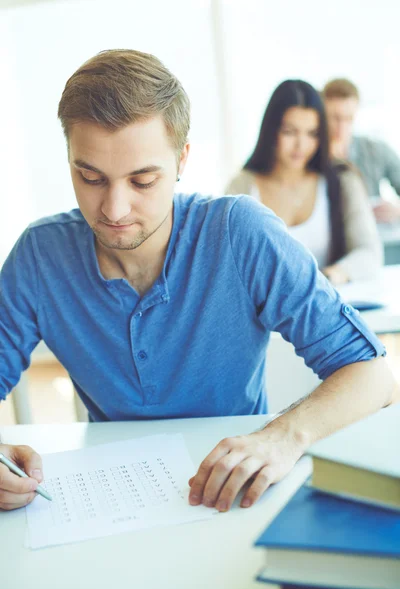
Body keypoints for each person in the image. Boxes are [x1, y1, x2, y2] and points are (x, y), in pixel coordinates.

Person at [0, 51, 395, 515]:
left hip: (235, 496)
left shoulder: (240, 232)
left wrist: (282, 436)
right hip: (108, 503)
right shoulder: (40, 255)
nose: (114, 208)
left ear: (182, 159)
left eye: (143, 180)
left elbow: (374, 378)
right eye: (90, 177)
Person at [226, 80, 382, 286]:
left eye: (312, 133)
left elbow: (369, 253)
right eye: (289, 132)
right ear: (271, 131)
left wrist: (330, 277)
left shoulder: (342, 181)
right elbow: (224, 263)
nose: (301, 145)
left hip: (324, 307)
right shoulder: (242, 188)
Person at [322, 78, 400, 224]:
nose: (342, 127)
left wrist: (397, 210)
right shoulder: (308, 156)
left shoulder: (375, 150)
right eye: (335, 118)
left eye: (348, 118)